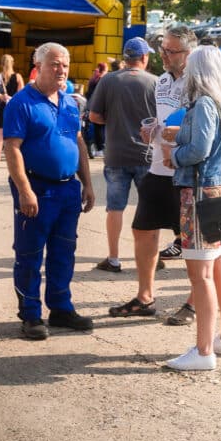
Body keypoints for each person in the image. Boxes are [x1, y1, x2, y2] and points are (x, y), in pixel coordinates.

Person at [4, 43, 96, 340]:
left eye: (65, 65)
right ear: (38, 66)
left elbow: (79, 143)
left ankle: (60, 307)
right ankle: (30, 315)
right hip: (37, 188)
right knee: (30, 254)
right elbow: (12, 149)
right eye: (55, 64)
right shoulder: (22, 103)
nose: (62, 70)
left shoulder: (70, 102)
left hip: (68, 189)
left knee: (64, 252)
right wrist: (24, 191)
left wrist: (88, 183)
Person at [160, 46, 221, 371]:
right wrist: (182, 136)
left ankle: (204, 350)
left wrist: (173, 156)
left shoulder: (205, 103)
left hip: (201, 193)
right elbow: (211, 142)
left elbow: (199, 151)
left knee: (200, 275)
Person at [109, 24, 196, 321]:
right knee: (143, 228)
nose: (164, 55)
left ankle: (194, 302)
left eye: (171, 51)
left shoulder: (198, 82)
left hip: (186, 171)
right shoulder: (160, 81)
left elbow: (203, 127)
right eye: (162, 49)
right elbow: (165, 120)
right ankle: (145, 297)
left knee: (191, 240)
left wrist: (174, 135)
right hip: (158, 167)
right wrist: (153, 130)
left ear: (189, 53)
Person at [87, 38, 158, 274]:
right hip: (147, 154)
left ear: (125, 58)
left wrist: (114, 120)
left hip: (116, 154)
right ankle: (151, 256)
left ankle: (114, 258)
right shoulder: (156, 83)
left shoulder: (108, 80)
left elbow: (94, 116)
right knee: (150, 207)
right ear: (144, 58)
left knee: (115, 207)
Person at [0, 54, 24, 162]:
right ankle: (10, 154)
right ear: (13, 63)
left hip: (0, 106)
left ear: (1, 64)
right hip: (13, 106)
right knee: (12, 132)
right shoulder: (18, 77)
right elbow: (21, 94)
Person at [85, 61, 109, 158]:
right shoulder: (102, 79)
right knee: (101, 127)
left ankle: (98, 147)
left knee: (97, 127)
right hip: (101, 105)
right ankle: (101, 148)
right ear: (104, 69)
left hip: (92, 104)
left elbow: (88, 93)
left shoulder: (93, 78)